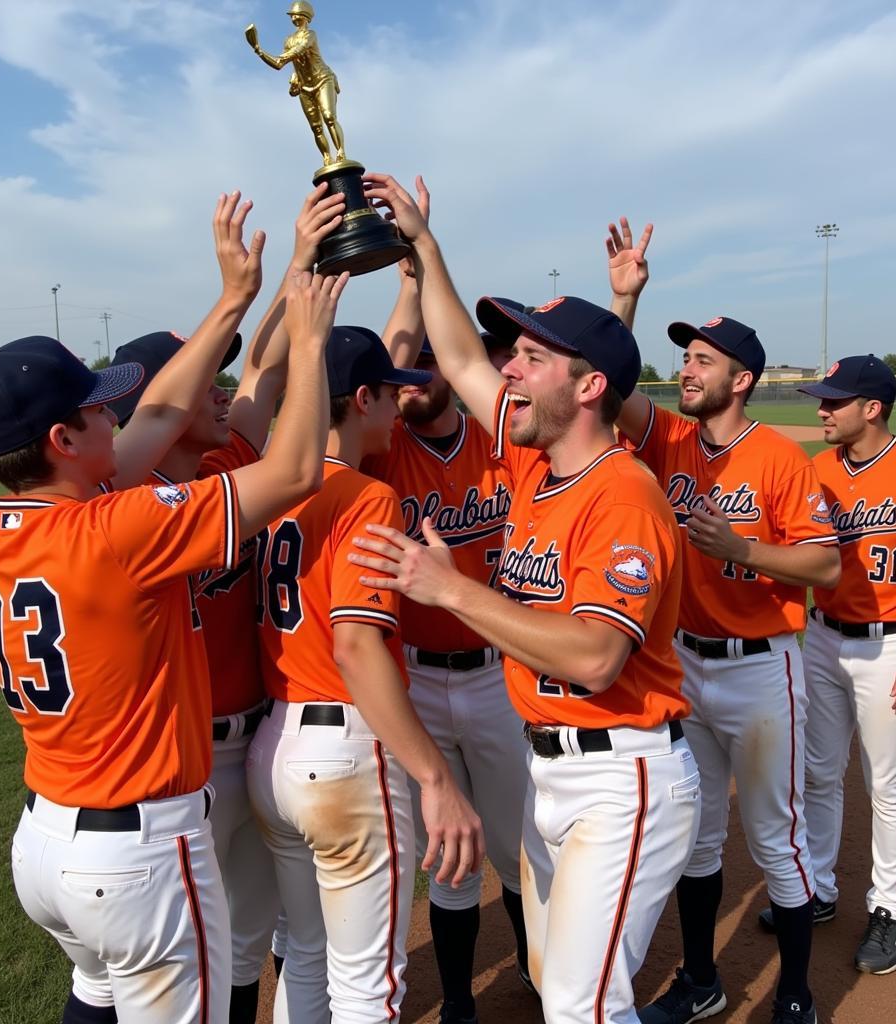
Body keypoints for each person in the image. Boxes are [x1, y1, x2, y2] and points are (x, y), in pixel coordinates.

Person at [0, 189, 346, 1024]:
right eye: (97, 407)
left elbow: (162, 413)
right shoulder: (117, 527)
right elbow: (295, 473)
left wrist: (236, 297)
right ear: (63, 440)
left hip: (45, 843)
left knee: (94, 998)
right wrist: (310, 345)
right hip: (139, 851)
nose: (117, 412)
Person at [351, 174, 700, 1024]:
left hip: (624, 773)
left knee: (580, 1005)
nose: (508, 367)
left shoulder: (624, 495)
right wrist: (423, 246)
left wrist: (450, 590)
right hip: (559, 770)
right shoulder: (534, 463)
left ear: (586, 390)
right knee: (573, 995)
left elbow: (592, 653)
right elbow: (461, 358)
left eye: (533, 357)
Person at [101, 184, 348, 1023]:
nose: (223, 390)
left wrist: (301, 263)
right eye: (206, 375)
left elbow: (270, 366)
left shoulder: (224, 467)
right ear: (154, 401)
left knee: (247, 943)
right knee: (180, 968)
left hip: (257, 748)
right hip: (178, 773)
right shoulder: (111, 514)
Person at [604, 219, 841, 1024]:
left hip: (760, 666)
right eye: (686, 356)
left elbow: (825, 566)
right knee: (696, 841)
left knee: (775, 837)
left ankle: (800, 995)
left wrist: (747, 548)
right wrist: (624, 301)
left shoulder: (779, 456)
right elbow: (604, 382)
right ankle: (702, 981)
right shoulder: (667, 436)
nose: (687, 368)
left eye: (702, 359)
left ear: (741, 380)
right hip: (684, 668)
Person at [245, 323, 485, 1024]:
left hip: (273, 745)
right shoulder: (366, 496)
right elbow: (355, 646)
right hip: (343, 754)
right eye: (390, 393)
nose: (398, 408)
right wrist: (436, 777)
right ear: (360, 398)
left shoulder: (263, 484)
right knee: (368, 989)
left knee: (306, 957)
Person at [362, 238, 531, 1023]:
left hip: (498, 675)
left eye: (429, 365)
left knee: (517, 847)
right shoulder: (380, 454)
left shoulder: (501, 447)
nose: (412, 381)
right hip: (414, 680)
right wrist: (405, 291)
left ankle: (539, 972)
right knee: (448, 861)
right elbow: (382, 366)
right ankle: (461, 1002)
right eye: (404, 369)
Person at [756, 356, 896, 975]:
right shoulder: (817, 471)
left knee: (888, 785)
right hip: (823, 638)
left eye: (834, 401)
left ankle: (889, 907)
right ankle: (818, 888)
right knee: (818, 773)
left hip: (892, 644)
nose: (821, 411)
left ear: (873, 408)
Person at [247, 1, 345, 166]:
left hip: (322, 78)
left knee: (329, 117)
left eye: (295, 14)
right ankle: (327, 157)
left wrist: (281, 57)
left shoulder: (310, 35)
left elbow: (300, 49)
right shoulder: (288, 40)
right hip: (305, 86)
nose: (293, 17)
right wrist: (259, 51)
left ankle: (341, 151)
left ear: (305, 16)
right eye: (291, 15)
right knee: (316, 127)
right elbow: (278, 65)